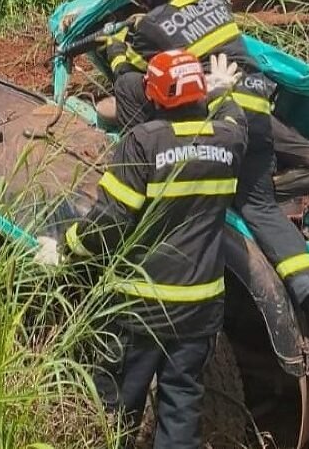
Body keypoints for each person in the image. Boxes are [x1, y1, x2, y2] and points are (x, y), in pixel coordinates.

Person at [89, 0, 309, 340]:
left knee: (129, 84)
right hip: (254, 107)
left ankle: (138, 155)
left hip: (215, 110)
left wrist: (115, 46)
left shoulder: (149, 27)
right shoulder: (215, 3)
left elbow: (138, 72)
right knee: (260, 206)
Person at [40, 49, 246, 448]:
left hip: (140, 307)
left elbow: (110, 223)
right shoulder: (228, 140)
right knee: (181, 409)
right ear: (198, 91)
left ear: (153, 95)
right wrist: (223, 93)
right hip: (200, 309)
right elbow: (234, 118)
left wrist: (65, 247)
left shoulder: (143, 143)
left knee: (117, 409)